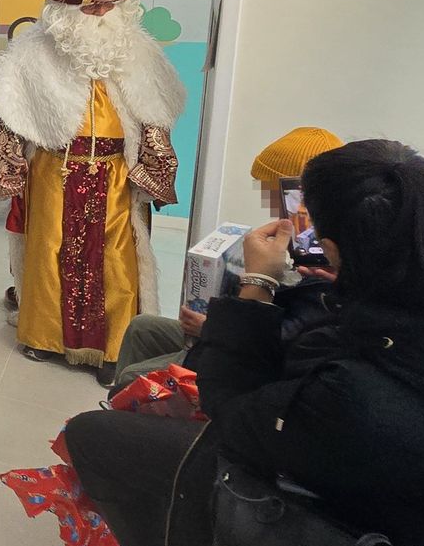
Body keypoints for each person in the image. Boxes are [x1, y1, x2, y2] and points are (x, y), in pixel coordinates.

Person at [63, 139, 424, 546]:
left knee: (95, 436)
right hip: (343, 458)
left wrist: (257, 285)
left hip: (358, 537)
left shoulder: (362, 393)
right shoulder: (415, 291)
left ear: (335, 246)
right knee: (148, 347)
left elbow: (234, 413)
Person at [0, 0, 186, 386]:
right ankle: (44, 337)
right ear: (65, 9)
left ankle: (115, 348)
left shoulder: (139, 53)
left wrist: (155, 165)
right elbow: (10, 114)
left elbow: (154, 114)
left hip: (116, 173)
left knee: (117, 260)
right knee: (48, 251)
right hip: (54, 170)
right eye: (91, 7)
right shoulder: (31, 53)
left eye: (109, 6)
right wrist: (6, 166)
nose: (101, 14)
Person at [111, 126, 343, 391]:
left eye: (274, 190)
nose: (271, 201)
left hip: (246, 362)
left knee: (131, 377)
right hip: (232, 333)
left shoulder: (327, 263)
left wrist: (212, 328)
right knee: (143, 327)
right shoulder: (296, 240)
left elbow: (283, 343)